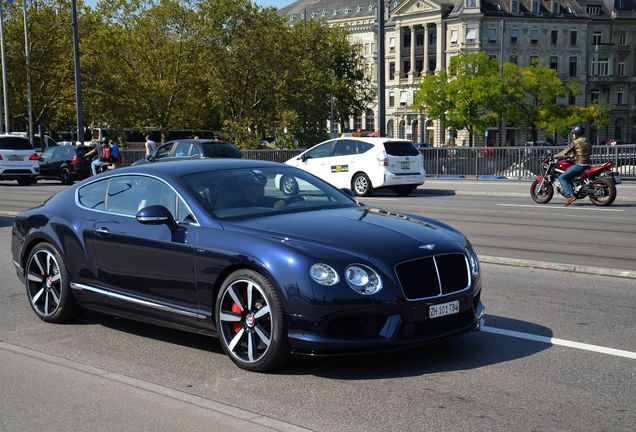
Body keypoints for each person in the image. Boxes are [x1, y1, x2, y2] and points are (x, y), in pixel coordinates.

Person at [555, 125, 592, 206]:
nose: (572, 135)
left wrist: (554, 156)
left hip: (580, 164)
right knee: (570, 175)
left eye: (573, 133)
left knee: (562, 177)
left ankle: (570, 196)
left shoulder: (576, 142)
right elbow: (584, 152)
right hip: (588, 164)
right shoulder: (587, 140)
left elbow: (565, 152)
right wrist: (573, 156)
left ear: (576, 134)